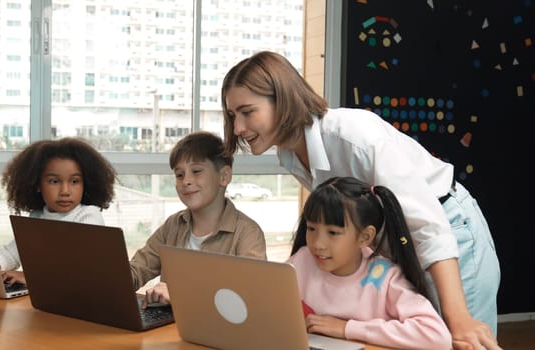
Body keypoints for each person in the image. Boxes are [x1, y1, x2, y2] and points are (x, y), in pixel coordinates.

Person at [221, 50, 501, 350]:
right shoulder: (289, 154)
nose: (238, 128)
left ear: (284, 98)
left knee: (461, 340)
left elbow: (428, 225)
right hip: (398, 241)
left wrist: (458, 318)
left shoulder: (354, 135)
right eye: (232, 116)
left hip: (448, 231)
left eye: (247, 112)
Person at [288, 176, 451, 349]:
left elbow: (437, 336)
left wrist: (347, 328)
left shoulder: (384, 277)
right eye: (311, 228)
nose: (318, 244)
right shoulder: (302, 261)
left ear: (365, 237)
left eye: (333, 233)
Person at [130, 131, 267, 307]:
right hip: (169, 328)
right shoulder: (173, 225)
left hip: (218, 332)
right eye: (179, 175)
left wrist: (181, 295)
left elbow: (250, 296)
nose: (186, 181)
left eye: (196, 171)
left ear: (224, 176)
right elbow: (137, 270)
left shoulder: (247, 233)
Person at [0, 137, 117, 285]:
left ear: (86, 184)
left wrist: (31, 276)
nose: (65, 191)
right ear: (36, 184)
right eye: (54, 181)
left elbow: (78, 266)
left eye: (74, 182)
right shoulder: (36, 217)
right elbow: (11, 254)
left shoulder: (89, 216)